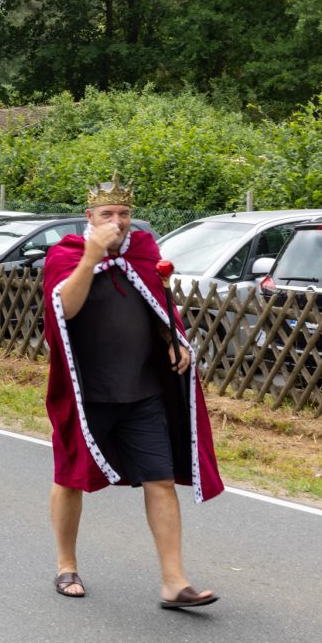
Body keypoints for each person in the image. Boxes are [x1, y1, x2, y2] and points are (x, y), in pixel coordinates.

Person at [42, 174, 223, 608]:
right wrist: (92, 257)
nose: (118, 221)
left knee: (160, 479)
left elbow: (159, 306)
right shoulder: (66, 254)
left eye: (124, 213)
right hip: (87, 397)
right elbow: (64, 309)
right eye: (108, 214)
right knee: (70, 478)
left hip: (143, 392)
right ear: (89, 217)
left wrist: (173, 340)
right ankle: (66, 565)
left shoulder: (143, 251)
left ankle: (174, 582)